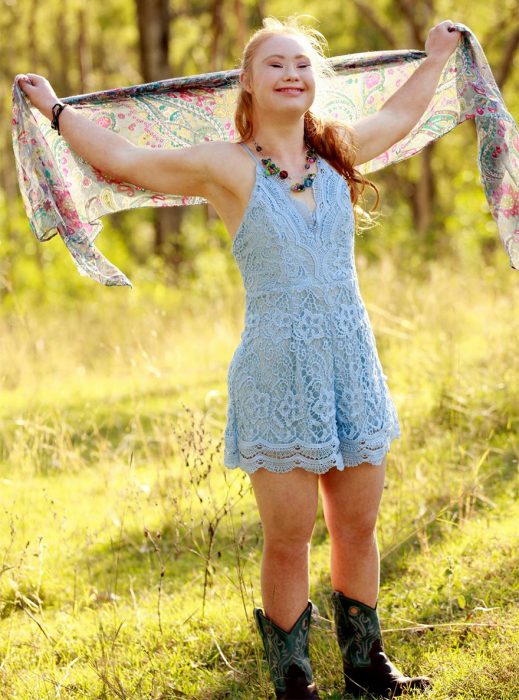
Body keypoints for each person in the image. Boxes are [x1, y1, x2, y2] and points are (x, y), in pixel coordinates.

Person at [18, 14, 461, 700]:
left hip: (351, 360)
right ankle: (293, 682)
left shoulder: (339, 151)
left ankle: (367, 668)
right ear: (248, 86)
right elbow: (124, 160)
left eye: (302, 65)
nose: (291, 73)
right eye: (275, 64)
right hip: (276, 369)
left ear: (315, 84)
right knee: (289, 536)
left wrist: (435, 58)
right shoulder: (224, 165)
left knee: (358, 524)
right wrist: (55, 107)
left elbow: (402, 115)